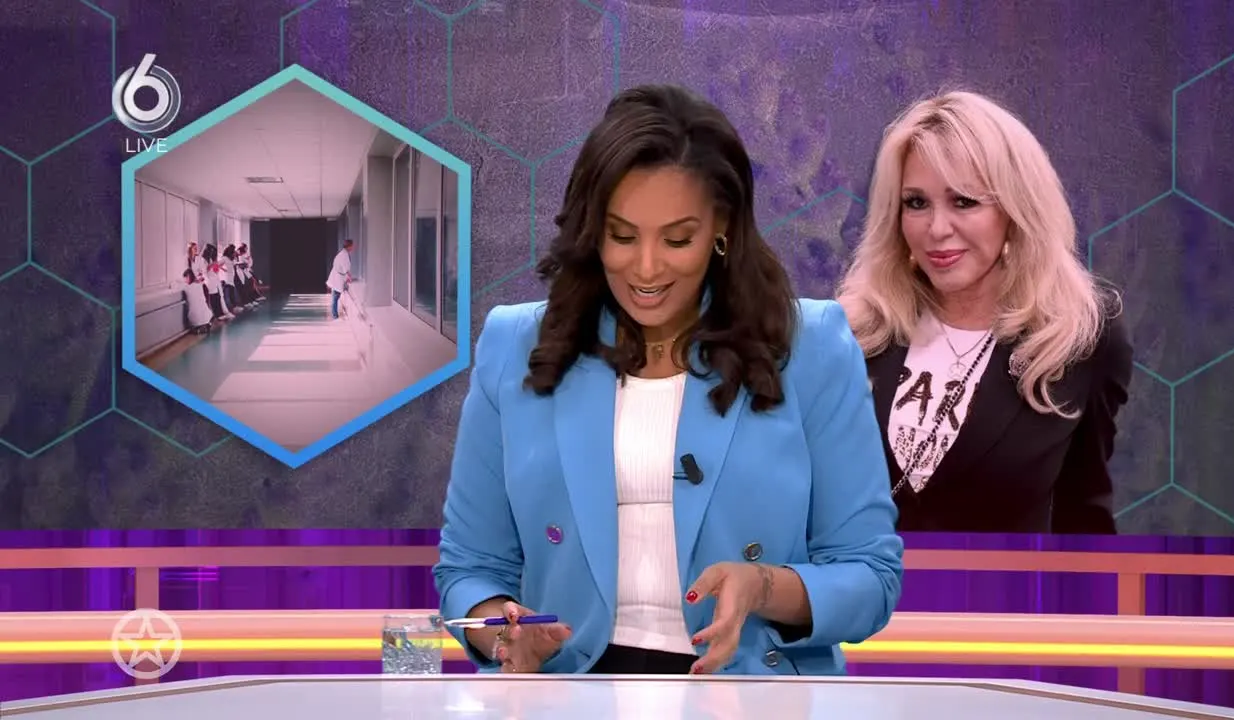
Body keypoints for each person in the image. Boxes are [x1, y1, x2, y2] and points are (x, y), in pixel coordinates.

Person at [434, 84, 903, 677]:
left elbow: (870, 576)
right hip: (571, 693)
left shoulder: (811, 347)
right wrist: (502, 633)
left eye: (678, 239)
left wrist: (763, 587)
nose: (647, 267)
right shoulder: (515, 345)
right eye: (622, 236)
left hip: (747, 696)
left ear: (721, 226)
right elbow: (470, 569)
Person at [834, 90, 1134, 535]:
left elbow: (1083, 520)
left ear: (1015, 209)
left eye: (964, 201)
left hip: (1003, 584)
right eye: (916, 202)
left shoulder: (1080, 336)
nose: (937, 229)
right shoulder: (851, 331)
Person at [326, 238, 355, 320]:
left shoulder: (343, 253)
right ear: (349, 246)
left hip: (337, 276)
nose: (353, 247)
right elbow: (345, 268)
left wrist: (347, 277)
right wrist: (349, 277)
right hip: (337, 278)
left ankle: (334, 314)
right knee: (335, 296)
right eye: (352, 246)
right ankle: (334, 315)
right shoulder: (344, 255)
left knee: (335, 296)